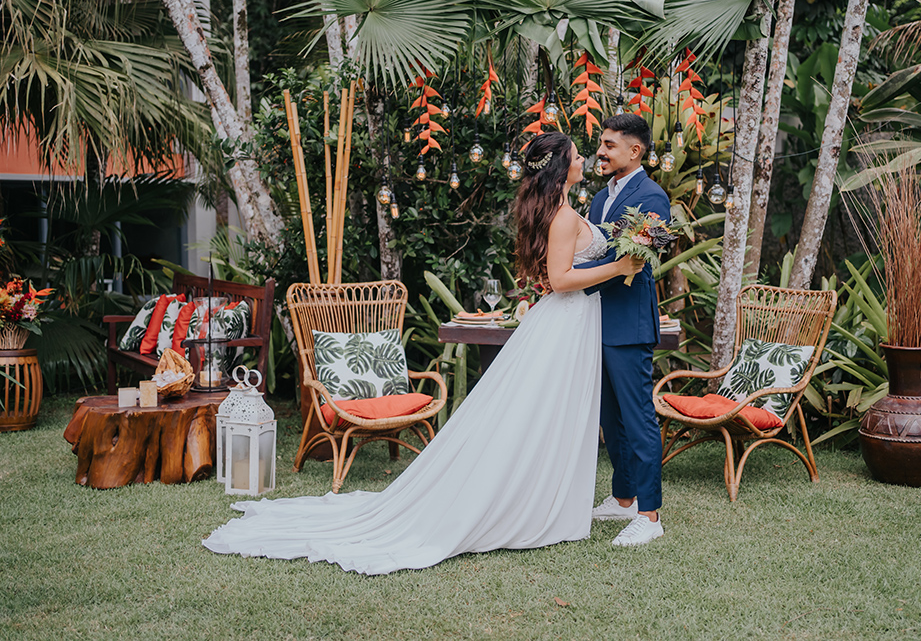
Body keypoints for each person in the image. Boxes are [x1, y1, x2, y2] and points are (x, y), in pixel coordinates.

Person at [202, 131, 642, 575]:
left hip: (573, 324)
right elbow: (562, 278)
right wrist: (621, 265)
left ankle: (546, 498)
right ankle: (529, 502)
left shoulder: (564, 210)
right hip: (566, 320)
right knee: (540, 414)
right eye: (576, 154)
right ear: (559, 166)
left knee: (550, 415)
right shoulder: (564, 216)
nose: (584, 157)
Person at [576, 114, 671, 547]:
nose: (601, 151)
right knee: (609, 419)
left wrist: (570, 271)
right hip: (596, 319)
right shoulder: (600, 198)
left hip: (629, 324)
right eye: (601, 144)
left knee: (638, 420)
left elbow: (632, 260)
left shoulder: (653, 196)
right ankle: (624, 497)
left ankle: (649, 516)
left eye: (609, 145)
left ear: (635, 151)